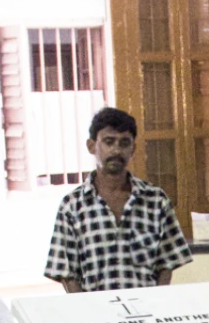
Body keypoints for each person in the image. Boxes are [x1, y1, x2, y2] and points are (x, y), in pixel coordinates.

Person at [44, 107, 194, 293]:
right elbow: (66, 272)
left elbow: (166, 263)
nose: (116, 150)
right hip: (95, 315)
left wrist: (157, 304)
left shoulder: (155, 201)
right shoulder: (73, 206)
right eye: (109, 142)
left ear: (133, 149)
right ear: (92, 146)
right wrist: (85, 313)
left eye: (124, 143)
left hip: (147, 314)